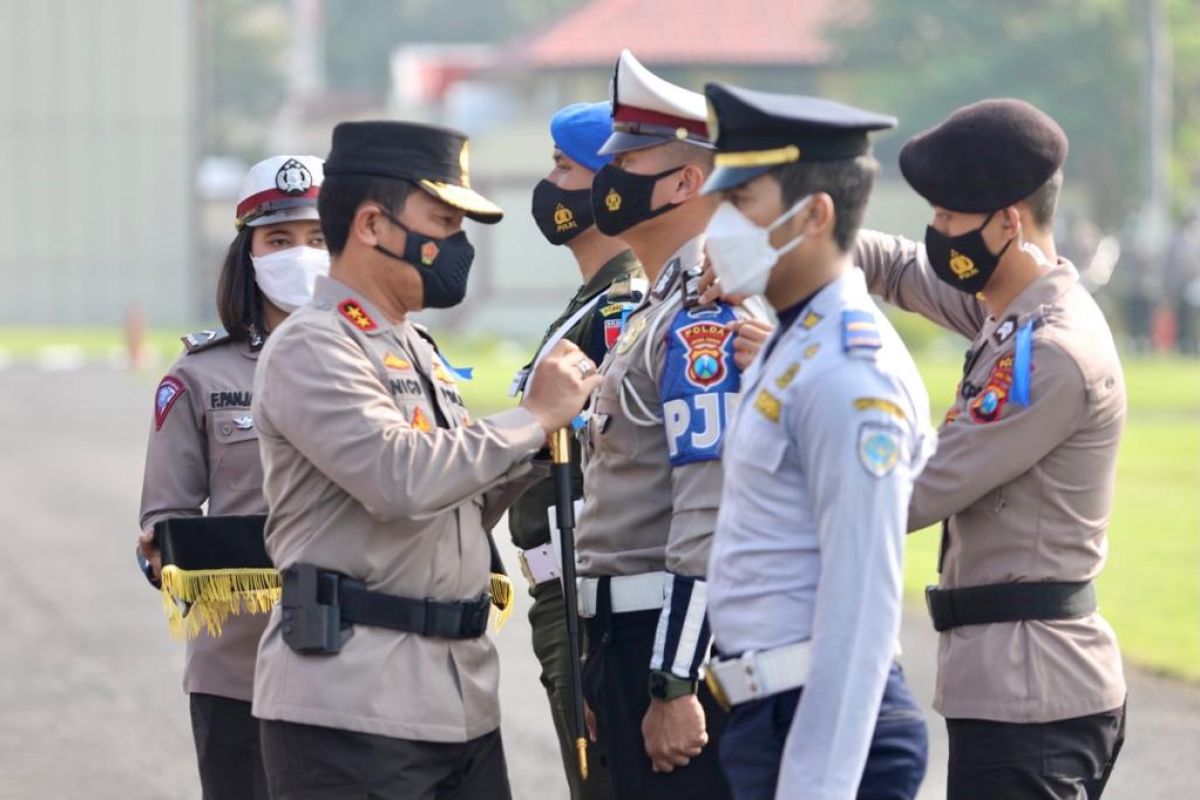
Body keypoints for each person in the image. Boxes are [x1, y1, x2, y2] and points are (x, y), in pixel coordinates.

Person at [249, 120, 599, 800]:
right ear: (374, 224)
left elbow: (457, 495)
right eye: (443, 220)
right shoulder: (314, 347)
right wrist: (531, 419)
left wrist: (548, 442)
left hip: (454, 705)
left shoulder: (416, 348)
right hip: (352, 710)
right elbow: (400, 477)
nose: (457, 245)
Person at [852, 99, 1127, 799]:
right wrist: (798, 241)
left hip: (1032, 697)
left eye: (951, 218)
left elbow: (915, 487)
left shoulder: (1049, 353)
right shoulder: (1008, 305)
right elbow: (896, 266)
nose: (938, 233)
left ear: (1009, 219)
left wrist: (830, 410)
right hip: (1011, 685)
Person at [700, 82, 931, 800]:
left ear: (815, 214)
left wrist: (816, 786)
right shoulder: (793, 342)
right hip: (767, 715)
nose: (720, 226)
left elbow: (861, 604)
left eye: (742, 203)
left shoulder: (847, 371)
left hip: (820, 726)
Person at [575, 49, 760, 799]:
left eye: (629, 158)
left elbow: (708, 513)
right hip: (624, 637)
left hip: (671, 644)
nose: (608, 176)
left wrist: (673, 679)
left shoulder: (703, 315)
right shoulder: (658, 306)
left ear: (687, 180)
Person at [136, 154, 327, 800]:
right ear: (247, 253)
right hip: (237, 673)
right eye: (279, 240)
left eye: (318, 238)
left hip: (361, 676)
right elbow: (165, 532)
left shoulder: (390, 361)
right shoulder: (198, 378)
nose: (300, 255)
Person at [509, 100, 644, 800]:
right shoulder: (590, 303)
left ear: (608, 184)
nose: (550, 184)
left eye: (566, 167)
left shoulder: (622, 306)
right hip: (564, 588)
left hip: (584, 591)